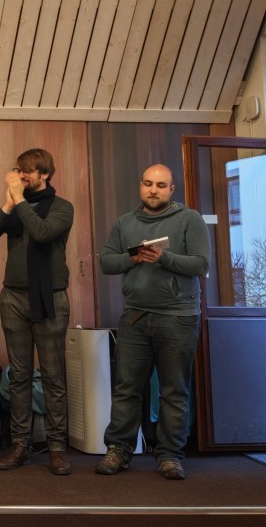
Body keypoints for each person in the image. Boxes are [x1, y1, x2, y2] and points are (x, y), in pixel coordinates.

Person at [96, 164, 210, 481]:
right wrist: (132, 257)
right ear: (141, 186)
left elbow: (201, 264)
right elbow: (106, 262)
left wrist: (163, 257)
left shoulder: (190, 219)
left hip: (179, 317)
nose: (153, 190)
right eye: (148, 184)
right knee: (126, 389)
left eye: (161, 185)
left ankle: (170, 455)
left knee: (174, 391)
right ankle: (119, 450)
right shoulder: (125, 222)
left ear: (172, 189)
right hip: (135, 317)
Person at [0, 148, 74, 476]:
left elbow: (42, 233)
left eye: (28, 171)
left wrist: (18, 201)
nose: (21, 176)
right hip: (14, 298)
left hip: (50, 298)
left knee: (52, 376)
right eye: (18, 170)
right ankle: (19, 446)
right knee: (18, 375)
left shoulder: (62, 207)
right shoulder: (15, 206)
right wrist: (8, 206)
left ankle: (57, 448)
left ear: (44, 174)